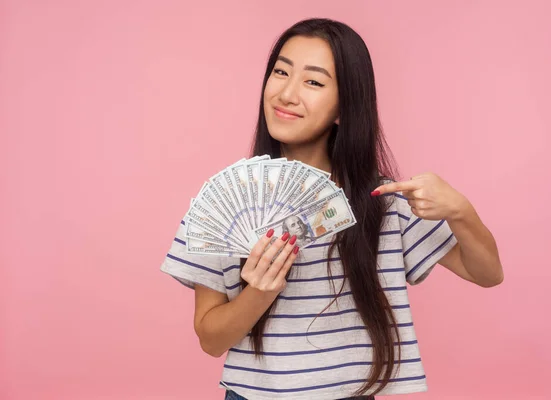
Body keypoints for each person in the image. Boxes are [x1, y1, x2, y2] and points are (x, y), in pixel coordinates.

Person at [160, 18, 503, 400]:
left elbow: (486, 274)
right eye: (280, 72)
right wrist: (259, 291)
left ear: (344, 106)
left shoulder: (384, 201)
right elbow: (210, 339)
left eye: (313, 82)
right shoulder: (220, 205)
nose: (287, 94)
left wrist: (460, 210)